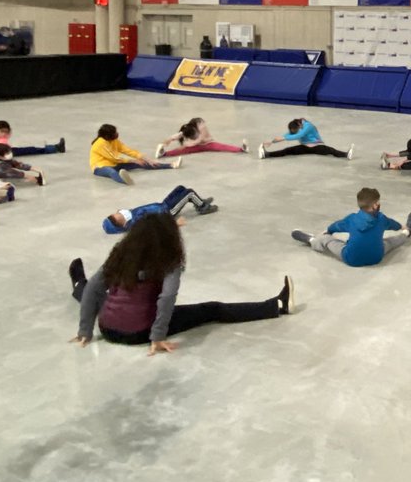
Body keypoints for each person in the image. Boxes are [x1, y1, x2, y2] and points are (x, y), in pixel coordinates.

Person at [67, 212, 295, 355]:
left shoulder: (121, 254)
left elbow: (96, 287)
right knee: (212, 309)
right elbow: (166, 297)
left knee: (96, 295)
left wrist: (85, 330)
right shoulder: (168, 259)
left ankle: (78, 283)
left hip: (106, 329)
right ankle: (276, 305)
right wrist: (157, 335)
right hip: (141, 332)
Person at [291, 187, 411, 266]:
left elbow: (337, 226)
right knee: (391, 241)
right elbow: (392, 224)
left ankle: (312, 240)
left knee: (327, 240)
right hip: (376, 257)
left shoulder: (352, 219)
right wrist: (402, 226)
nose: (379, 203)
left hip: (351, 258)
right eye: (378, 202)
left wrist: (328, 230)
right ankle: (407, 232)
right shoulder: (382, 219)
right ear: (374, 206)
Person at [102, 185, 218, 234]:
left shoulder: (128, 215)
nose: (116, 213)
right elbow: (153, 225)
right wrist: (174, 224)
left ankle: (199, 201)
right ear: (118, 223)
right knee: (189, 193)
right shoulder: (134, 222)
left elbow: (124, 212)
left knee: (180, 188)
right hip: (166, 212)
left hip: (162, 205)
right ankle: (202, 207)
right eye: (115, 216)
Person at [90, 123, 179, 185]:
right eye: (114, 133)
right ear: (107, 136)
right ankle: (124, 180)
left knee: (142, 163)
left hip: (115, 164)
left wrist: (146, 159)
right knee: (111, 172)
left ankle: (170, 165)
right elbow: (114, 158)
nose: (117, 134)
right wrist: (134, 161)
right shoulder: (100, 143)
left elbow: (128, 150)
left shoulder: (114, 141)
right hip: (100, 167)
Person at [0, 119, 64, 164]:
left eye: (6, 131)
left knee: (30, 149)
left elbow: (2, 143)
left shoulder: (6, 134)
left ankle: (55, 148)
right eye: (1, 131)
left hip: (5, 150)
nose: (3, 134)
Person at [259, 118, 352, 160]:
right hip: (304, 147)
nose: (295, 132)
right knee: (286, 151)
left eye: (296, 130)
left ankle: (346, 154)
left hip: (317, 146)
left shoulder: (308, 126)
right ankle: (267, 155)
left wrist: (284, 138)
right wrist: (271, 142)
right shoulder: (296, 126)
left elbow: (298, 136)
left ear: (299, 125)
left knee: (331, 150)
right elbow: (287, 134)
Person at [156, 117, 247, 158]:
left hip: (208, 144)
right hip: (196, 146)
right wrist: (165, 143)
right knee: (181, 150)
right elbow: (174, 137)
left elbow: (201, 140)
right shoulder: (187, 129)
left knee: (223, 147)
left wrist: (188, 144)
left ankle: (241, 149)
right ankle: (164, 154)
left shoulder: (202, 127)